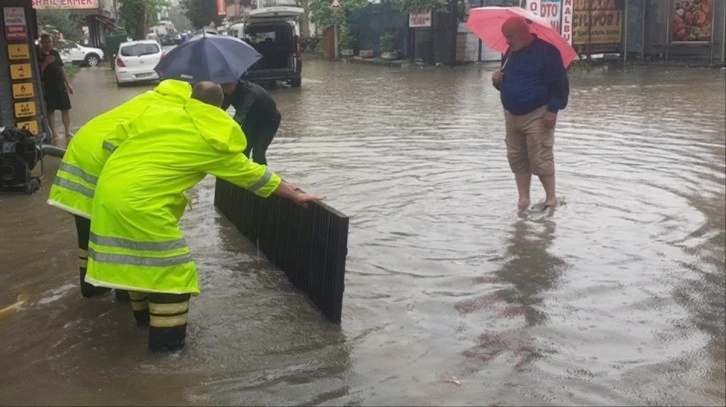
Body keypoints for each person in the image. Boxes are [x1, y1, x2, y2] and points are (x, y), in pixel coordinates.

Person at [84, 82, 324, 352]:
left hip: (106, 193)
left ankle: (143, 325)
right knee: (174, 275)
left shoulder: (161, 114)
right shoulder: (210, 135)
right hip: (141, 205)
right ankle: (167, 352)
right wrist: (293, 194)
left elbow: (113, 137)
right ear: (218, 106)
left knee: (138, 264)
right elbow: (251, 174)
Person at [47, 79, 194, 300]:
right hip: (97, 169)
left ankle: (92, 286)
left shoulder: (148, 99)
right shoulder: (166, 112)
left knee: (88, 234)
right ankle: (123, 289)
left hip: (78, 163)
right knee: (117, 233)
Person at [491, 16, 569, 210]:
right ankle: (523, 199)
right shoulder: (510, 52)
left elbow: (560, 84)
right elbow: (508, 84)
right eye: (504, 36)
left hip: (538, 113)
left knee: (540, 156)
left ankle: (551, 198)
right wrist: (497, 81)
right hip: (511, 114)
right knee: (517, 157)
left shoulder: (547, 53)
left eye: (509, 36)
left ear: (523, 34)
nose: (506, 40)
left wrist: (553, 110)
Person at [221, 78, 281, 165]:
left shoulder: (249, 92)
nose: (225, 89)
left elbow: (240, 115)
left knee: (258, 153)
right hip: (251, 119)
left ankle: (263, 177)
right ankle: (243, 175)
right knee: (243, 150)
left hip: (269, 120)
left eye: (227, 86)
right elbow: (220, 110)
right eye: (222, 86)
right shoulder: (227, 91)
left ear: (235, 82)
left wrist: (229, 132)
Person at [38, 33, 74, 139]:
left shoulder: (55, 53)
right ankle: (55, 134)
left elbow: (62, 69)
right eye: (45, 42)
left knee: (65, 108)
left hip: (60, 85)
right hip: (48, 86)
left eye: (49, 42)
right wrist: (46, 62)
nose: (47, 44)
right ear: (41, 43)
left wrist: (68, 84)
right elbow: (37, 72)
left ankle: (67, 132)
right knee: (51, 110)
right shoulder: (38, 55)